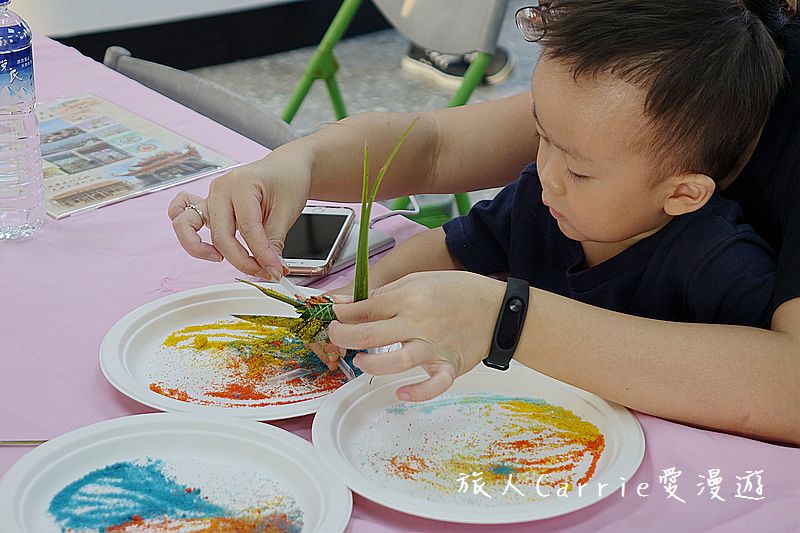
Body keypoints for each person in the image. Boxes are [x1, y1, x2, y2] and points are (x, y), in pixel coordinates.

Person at [168, 0, 800, 444]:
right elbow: (435, 148)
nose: (545, 171)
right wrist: (300, 163)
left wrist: (508, 319)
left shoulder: (720, 258)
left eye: (575, 169)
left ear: (685, 191)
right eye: (540, 138)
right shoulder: (556, 182)